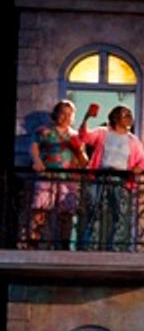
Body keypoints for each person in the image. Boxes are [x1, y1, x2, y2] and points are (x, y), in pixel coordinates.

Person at [78, 104, 144, 250]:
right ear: (116, 118)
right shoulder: (103, 133)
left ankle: (116, 247)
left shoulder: (133, 140)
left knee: (120, 215)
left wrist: (138, 168)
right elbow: (84, 136)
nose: (129, 117)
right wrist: (87, 117)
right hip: (101, 177)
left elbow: (143, 160)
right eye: (125, 114)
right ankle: (91, 247)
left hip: (120, 179)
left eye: (130, 114)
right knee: (94, 213)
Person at [27, 99, 85, 248]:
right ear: (56, 114)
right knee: (40, 208)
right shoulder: (44, 131)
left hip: (68, 178)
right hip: (48, 175)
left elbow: (83, 159)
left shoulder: (75, 135)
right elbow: (34, 147)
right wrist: (37, 161)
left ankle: (64, 244)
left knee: (66, 212)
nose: (66, 117)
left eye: (69, 114)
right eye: (62, 113)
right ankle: (33, 241)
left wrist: (78, 152)